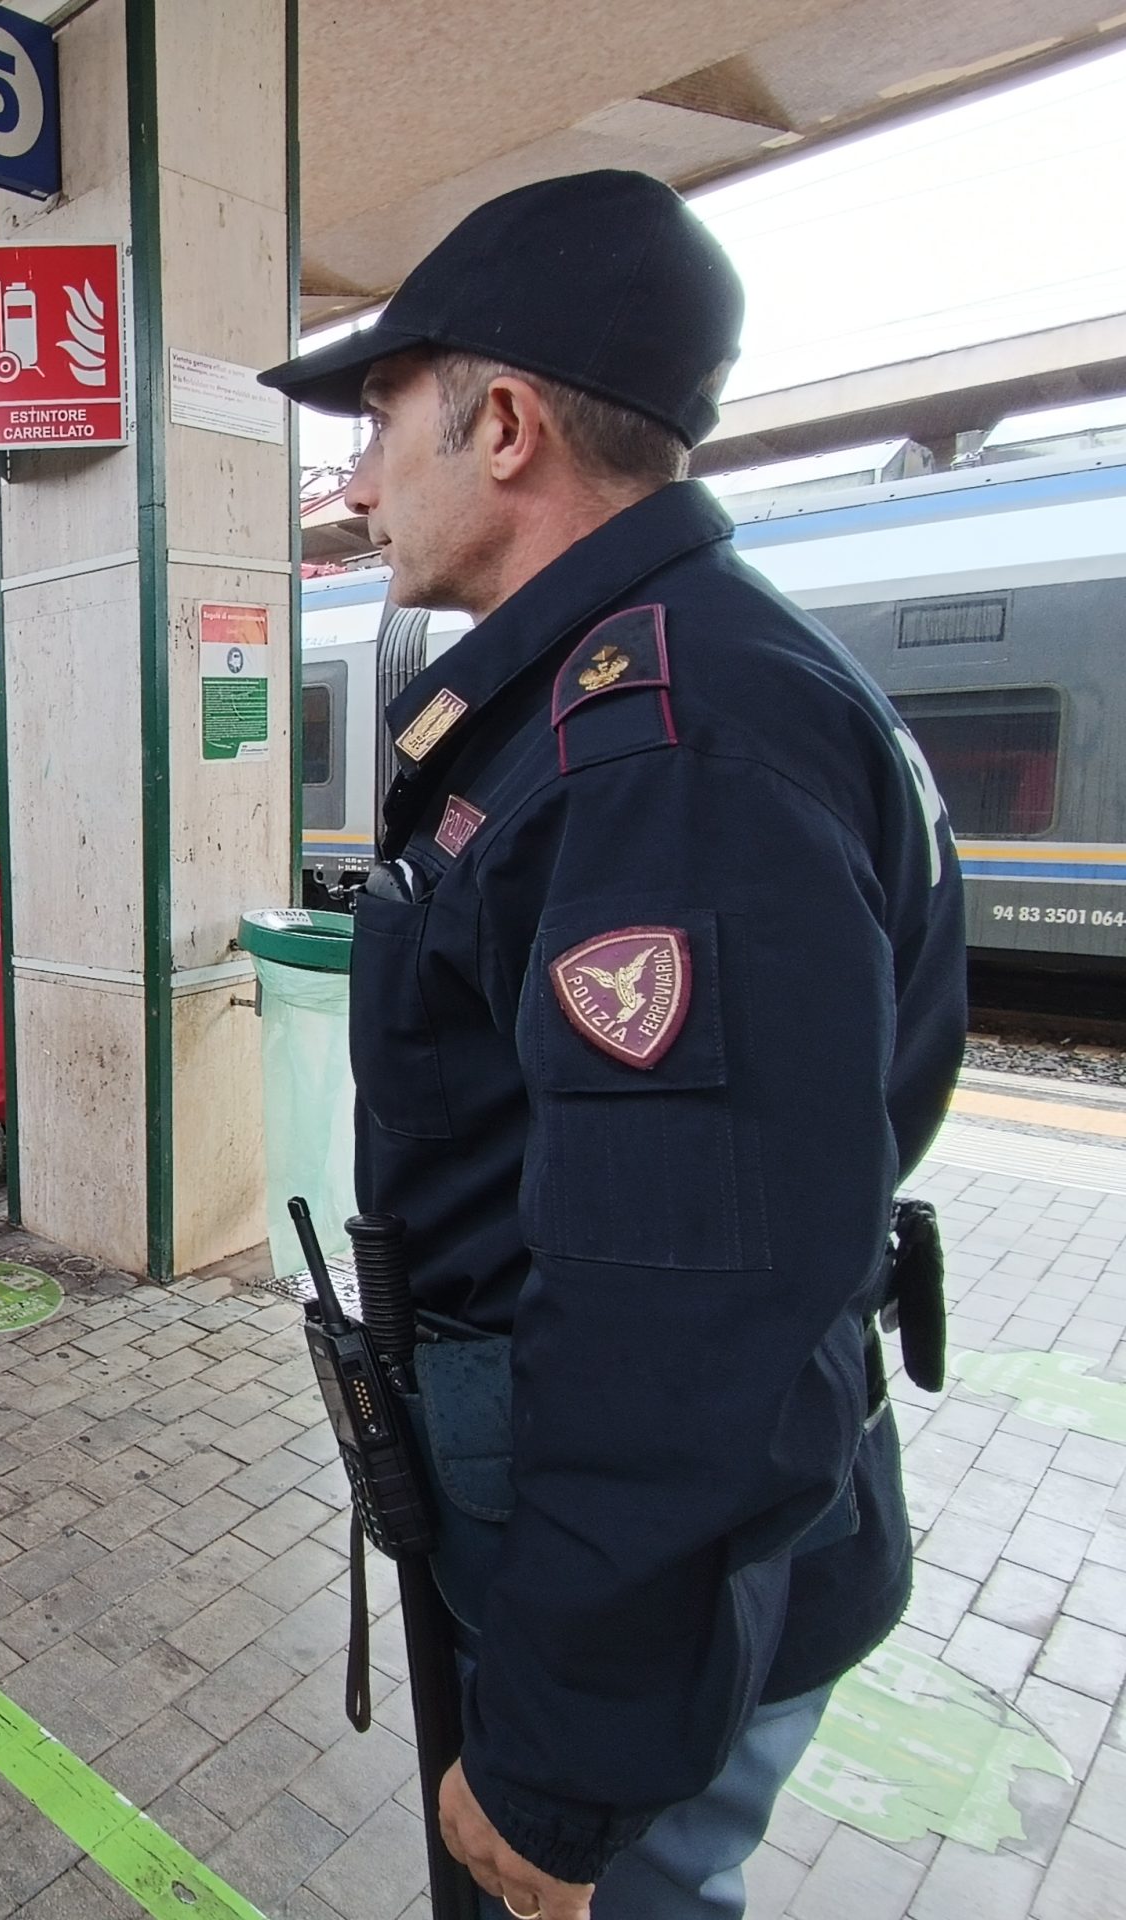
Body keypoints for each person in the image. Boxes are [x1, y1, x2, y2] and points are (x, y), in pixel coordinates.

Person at [258, 172, 963, 1920]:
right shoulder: (664, 683)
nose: (351, 486)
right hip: (653, 1566)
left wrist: (560, 1765)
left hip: (652, 1623)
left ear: (500, 426)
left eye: (376, 427)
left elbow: (688, 1308)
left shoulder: (660, 753)